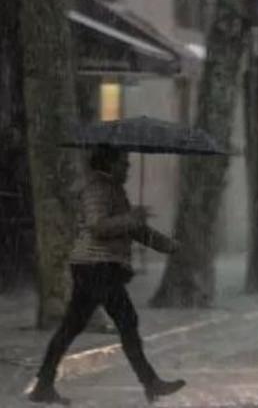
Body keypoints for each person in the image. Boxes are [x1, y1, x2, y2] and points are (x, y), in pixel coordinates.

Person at [29, 147, 186, 405]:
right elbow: (98, 225)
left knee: (72, 327)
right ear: (110, 163)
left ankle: (43, 385)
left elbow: (134, 230)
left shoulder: (112, 189)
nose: (128, 168)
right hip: (95, 266)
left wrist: (168, 246)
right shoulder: (97, 189)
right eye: (124, 163)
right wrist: (131, 217)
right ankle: (151, 382)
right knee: (126, 320)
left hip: (95, 267)